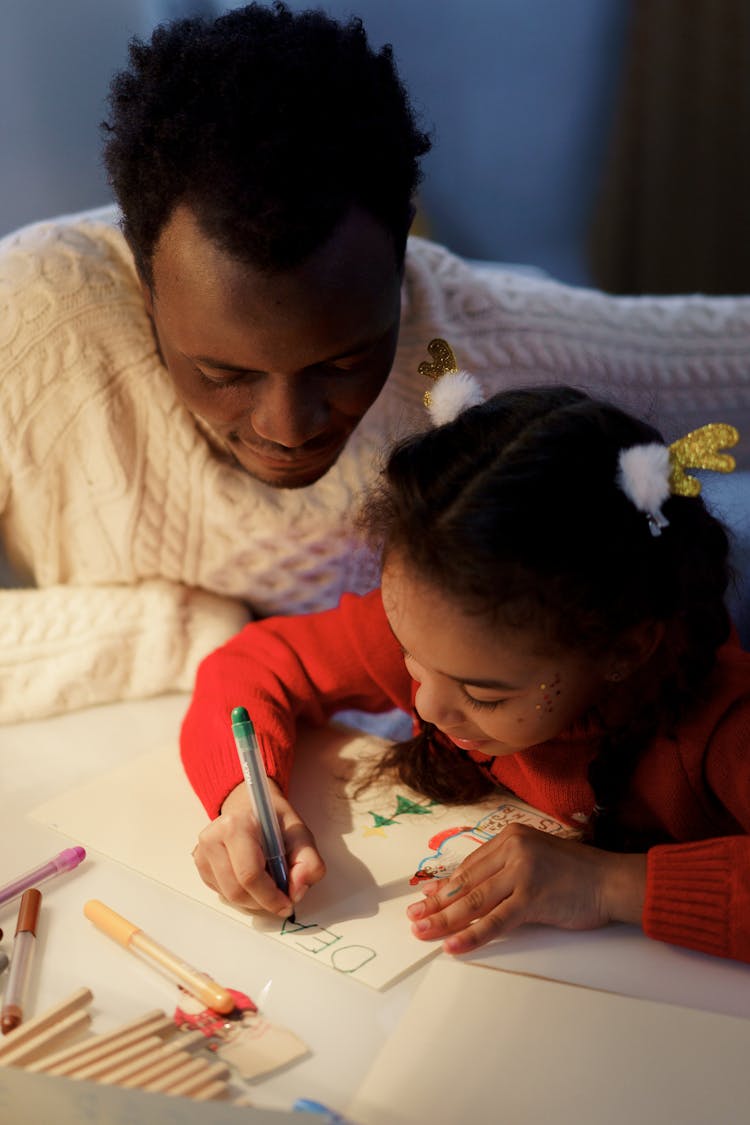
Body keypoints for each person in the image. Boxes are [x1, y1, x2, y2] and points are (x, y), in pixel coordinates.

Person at [2, 3, 749, 725]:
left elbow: (725, 353)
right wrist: (193, 631)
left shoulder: (466, 341)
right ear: (143, 279)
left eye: (346, 359)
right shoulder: (31, 327)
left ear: (404, 264)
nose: (288, 426)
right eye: (225, 373)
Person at [181, 368, 750, 964]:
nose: (425, 705)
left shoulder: (722, 725)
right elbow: (249, 665)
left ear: (624, 652)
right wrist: (245, 796)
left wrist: (609, 883)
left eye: (485, 695)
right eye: (412, 661)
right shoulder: (445, 625)